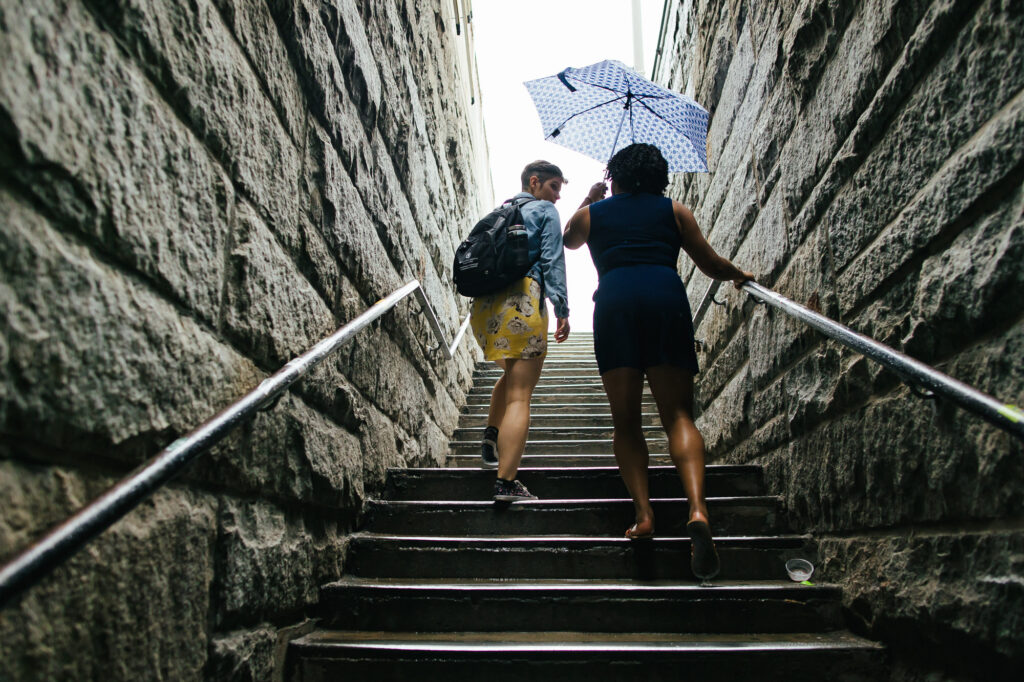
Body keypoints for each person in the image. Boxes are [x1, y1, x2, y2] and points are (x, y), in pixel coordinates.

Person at [562, 143, 754, 580]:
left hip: (615, 303)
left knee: (626, 422)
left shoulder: (595, 213)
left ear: (616, 175)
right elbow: (709, 264)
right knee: (679, 415)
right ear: (659, 175)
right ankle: (698, 510)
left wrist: (591, 198)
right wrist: (738, 274)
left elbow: (568, 240)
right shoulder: (676, 210)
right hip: (665, 297)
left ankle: (645, 515)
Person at [471, 160, 580, 502]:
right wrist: (561, 309)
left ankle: (492, 433)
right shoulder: (544, 211)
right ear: (534, 182)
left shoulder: (500, 211)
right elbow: (552, 260)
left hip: (485, 308)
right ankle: (506, 482)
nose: (557, 197)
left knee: (513, 377)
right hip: (523, 302)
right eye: (553, 187)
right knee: (521, 394)